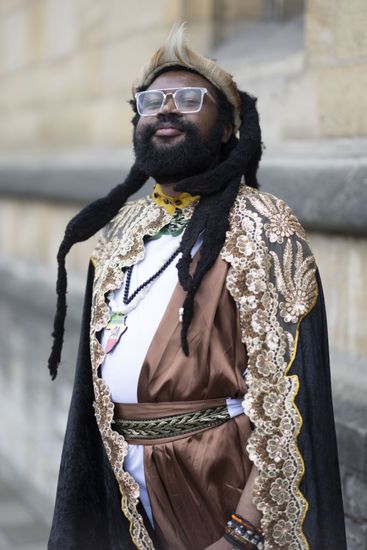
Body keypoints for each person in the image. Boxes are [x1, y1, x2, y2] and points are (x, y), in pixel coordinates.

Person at [47, 25, 347, 550]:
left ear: (229, 127)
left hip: (219, 488)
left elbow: (285, 406)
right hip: (127, 496)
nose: (167, 109)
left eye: (189, 99)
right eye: (152, 101)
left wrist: (240, 534)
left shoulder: (262, 226)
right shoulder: (120, 232)